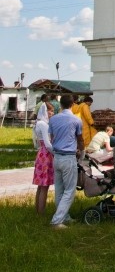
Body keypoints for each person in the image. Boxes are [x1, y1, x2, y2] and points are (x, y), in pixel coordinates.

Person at [48, 93, 84, 229]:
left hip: (56, 156)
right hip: (69, 157)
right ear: (72, 104)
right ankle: (57, 220)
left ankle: (65, 216)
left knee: (59, 190)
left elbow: (52, 137)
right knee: (69, 190)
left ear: (60, 104)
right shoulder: (76, 120)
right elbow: (80, 139)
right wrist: (82, 152)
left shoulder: (53, 119)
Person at [32, 105, 54, 214]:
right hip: (46, 155)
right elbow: (48, 144)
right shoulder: (44, 124)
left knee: (40, 186)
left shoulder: (38, 123)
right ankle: (41, 212)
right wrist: (56, 153)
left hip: (41, 153)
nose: (52, 113)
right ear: (46, 111)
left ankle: (38, 210)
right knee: (45, 186)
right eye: (51, 111)